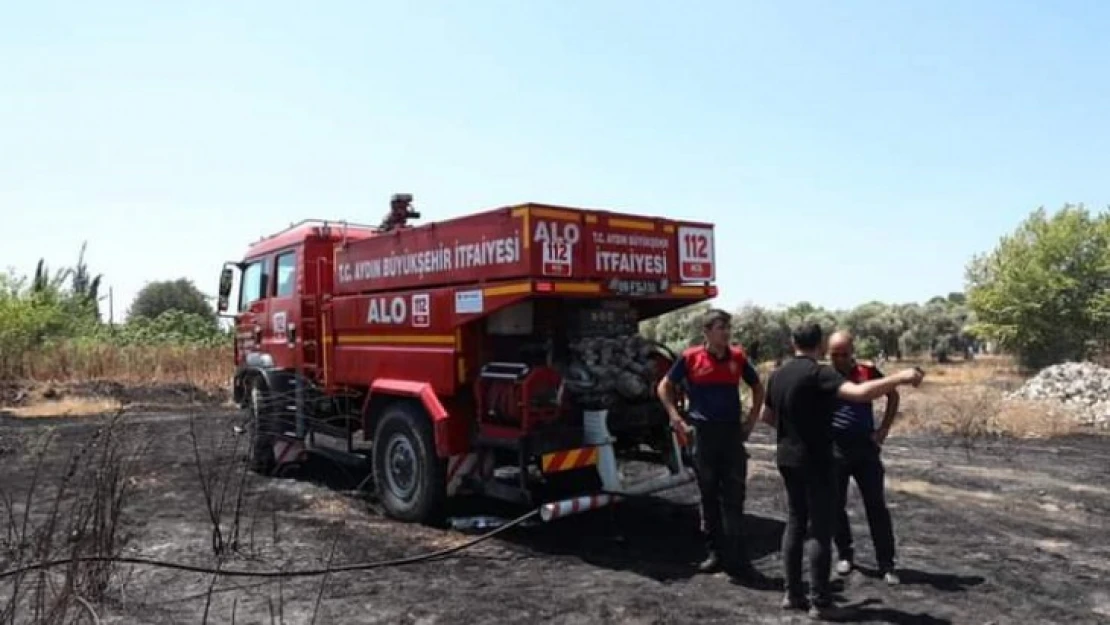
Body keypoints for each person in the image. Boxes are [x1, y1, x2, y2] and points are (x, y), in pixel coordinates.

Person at [760, 322, 923, 619]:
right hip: (817, 459)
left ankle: (792, 593)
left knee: (795, 523)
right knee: (821, 532)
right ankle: (821, 603)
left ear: (793, 342)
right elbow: (860, 394)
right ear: (820, 345)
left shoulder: (777, 374)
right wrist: (900, 376)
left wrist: (796, 431)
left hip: (786, 457)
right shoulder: (818, 373)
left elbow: (766, 415)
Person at [657, 308, 765, 581]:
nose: (726, 333)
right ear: (706, 332)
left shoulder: (738, 357)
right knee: (708, 495)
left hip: (731, 434)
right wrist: (675, 418)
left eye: (728, 328)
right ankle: (715, 554)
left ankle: (739, 559)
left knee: (734, 496)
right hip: (703, 434)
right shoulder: (691, 357)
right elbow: (664, 386)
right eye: (720, 328)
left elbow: (758, 387)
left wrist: (751, 421)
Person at [827, 331, 901, 584]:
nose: (838, 359)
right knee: (835, 504)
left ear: (852, 352)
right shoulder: (825, 376)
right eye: (834, 355)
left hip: (865, 448)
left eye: (843, 354)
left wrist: (883, 430)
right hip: (835, 449)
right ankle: (845, 554)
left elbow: (892, 393)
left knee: (876, 505)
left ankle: (886, 562)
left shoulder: (867, 372)